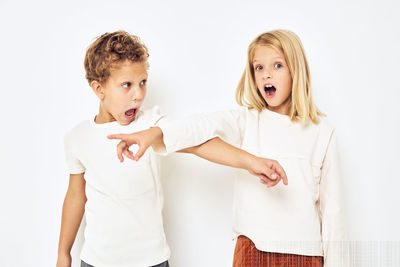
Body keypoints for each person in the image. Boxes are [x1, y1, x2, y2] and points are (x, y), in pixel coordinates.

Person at [108, 29, 348, 266]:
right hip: (252, 250)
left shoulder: (321, 132)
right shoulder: (247, 121)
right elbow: (200, 127)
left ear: (296, 70)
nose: (266, 75)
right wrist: (154, 133)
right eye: (259, 67)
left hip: (304, 256)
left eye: (277, 66)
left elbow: (333, 215)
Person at [57, 30, 287, 267]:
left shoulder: (150, 125)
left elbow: (198, 143)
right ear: (99, 89)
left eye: (142, 83)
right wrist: (63, 253)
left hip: (150, 261)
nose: (138, 95)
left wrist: (251, 162)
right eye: (127, 85)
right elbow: (75, 195)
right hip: (97, 261)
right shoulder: (78, 138)